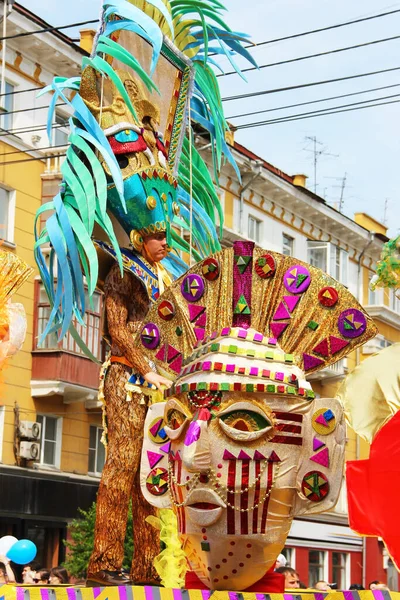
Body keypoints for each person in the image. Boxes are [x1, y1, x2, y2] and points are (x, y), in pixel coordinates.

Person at [87, 233, 173, 586]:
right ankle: (103, 563)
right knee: (121, 466)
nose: (166, 243)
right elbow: (117, 328)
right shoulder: (123, 272)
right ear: (139, 238)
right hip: (127, 379)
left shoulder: (166, 277)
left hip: (160, 385)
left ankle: (148, 566)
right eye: (158, 236)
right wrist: (144, 365)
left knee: (151, 474)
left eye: (168, 236)